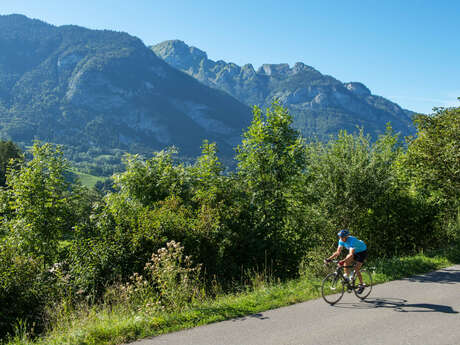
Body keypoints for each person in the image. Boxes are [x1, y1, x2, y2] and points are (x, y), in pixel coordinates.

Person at [324, 229, 368, 294]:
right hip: (355, 252)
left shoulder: (352, 240)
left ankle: (362, 285)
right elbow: (337, 252)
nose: (340, 238)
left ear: (346, 237)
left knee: (356, 268)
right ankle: (347, 277)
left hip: (362, 252)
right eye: (339, 236)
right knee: (346, 262)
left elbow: (351, 254)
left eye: (341, 237)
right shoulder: (341, 240)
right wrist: (329, 259)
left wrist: (343, 260)